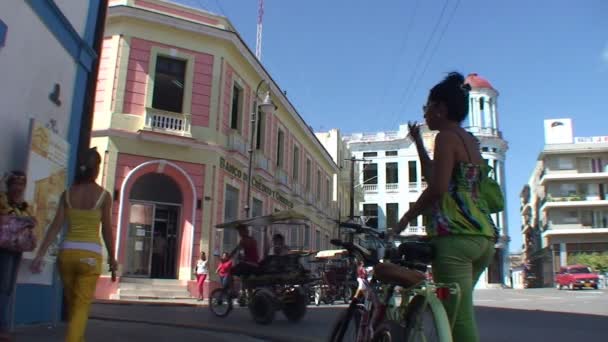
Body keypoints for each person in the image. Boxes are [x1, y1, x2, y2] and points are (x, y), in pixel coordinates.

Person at [396, 72, 496, 342]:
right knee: (456, 311)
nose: (425, 113)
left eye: (427, 107)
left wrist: (406, 217)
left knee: (459, 318)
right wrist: (418, 142)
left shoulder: (445, 138)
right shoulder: (469, 141)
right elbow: (438, 176)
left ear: (440, 108)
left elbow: (438, 188)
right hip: (483, 237)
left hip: (455, 237)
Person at [30, 147, 117, 342]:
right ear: (97, 169)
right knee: (82, 306)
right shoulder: (104, 196)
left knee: (73, 305)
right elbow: (107, 230)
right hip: (91, 257)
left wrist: (40, 254)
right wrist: (112, 258)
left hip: (67, 255)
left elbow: (55, 227)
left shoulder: (67, 194)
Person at [0, 171, 33, 342]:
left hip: (16, 249)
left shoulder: (24, 205)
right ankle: (2, 327)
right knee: (3, 286)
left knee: (9, 287)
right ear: (9, 185)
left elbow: (29, 221)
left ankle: (3, 325)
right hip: (3, 247)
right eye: (16, 184)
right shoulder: (2, 200)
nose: (18, 188)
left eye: (22, 185)